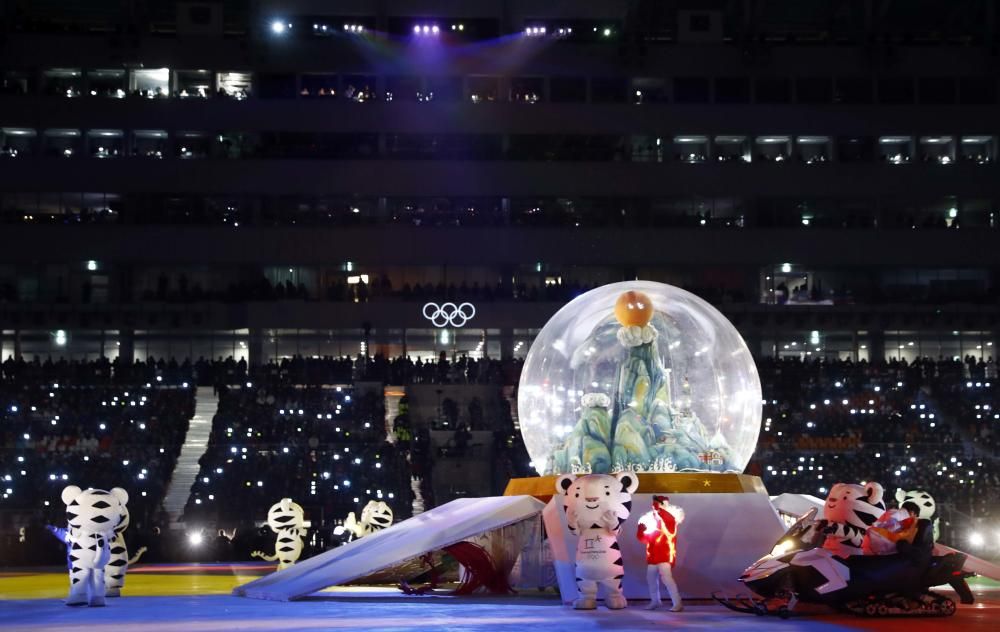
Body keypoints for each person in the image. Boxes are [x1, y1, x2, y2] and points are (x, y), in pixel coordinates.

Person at [636, 495, 684, 612]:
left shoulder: (670, 520)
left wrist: (659, 510)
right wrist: (641, 531)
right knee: (651, 578)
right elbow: (644, 539)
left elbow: (669, 527)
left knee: (667, 579)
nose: (654, 507)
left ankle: (677, 602)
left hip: (664, 555)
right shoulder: (651, 521)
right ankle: (655, 601)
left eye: (657, 504)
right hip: (652, 556)